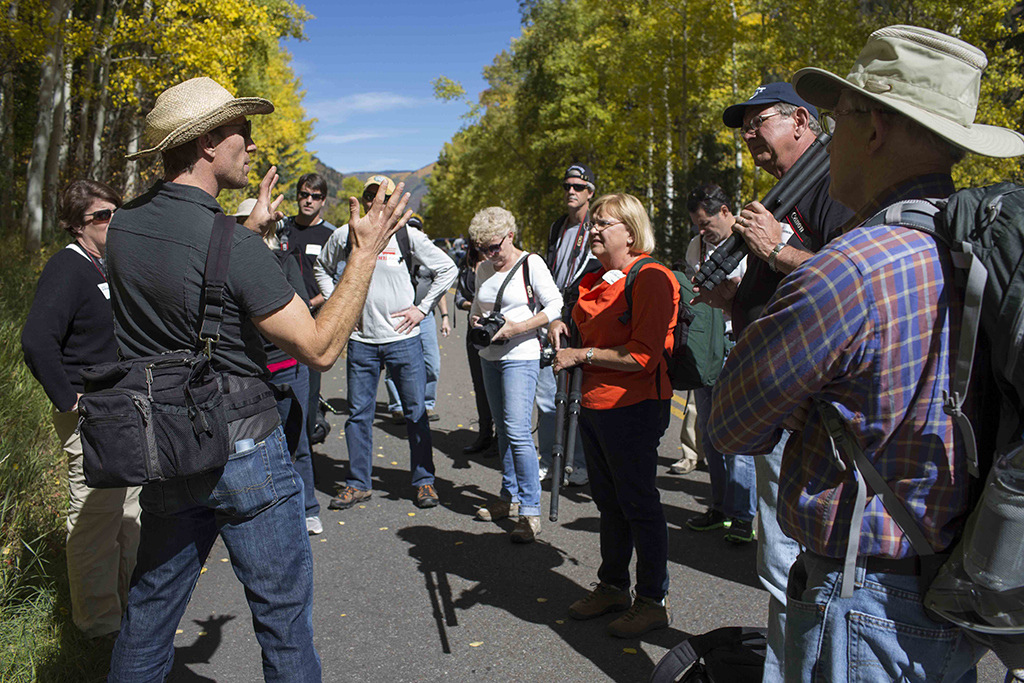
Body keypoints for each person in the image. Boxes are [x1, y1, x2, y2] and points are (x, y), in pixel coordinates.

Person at [710, 25, 1024, 681]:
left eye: (837, 118)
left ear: (873, 129)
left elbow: (731, 424)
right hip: (950, 582)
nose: (829, 139)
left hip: (863, 605)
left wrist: (805, 406)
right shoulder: (977, 248)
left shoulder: (849, 269)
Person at [104, 76, 412, 681]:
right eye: (239, 130)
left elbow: (183, 284)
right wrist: (366, 254)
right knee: (283, 624)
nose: (250, 142)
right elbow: (320, 349)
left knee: (146, 620)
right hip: (246, 451)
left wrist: (240, 239)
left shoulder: (123, 228)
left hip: (165, 445)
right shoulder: (230, 244)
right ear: (207, 146)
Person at [698, 81, 854, 680]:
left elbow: (858, 283)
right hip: (779, 399)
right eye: (743, 125)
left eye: (758, 120)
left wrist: (779, 252)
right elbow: (783, 296)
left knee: (798, 561)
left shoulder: (835, 190)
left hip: (810, 408)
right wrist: (735, 300)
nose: (747, 134)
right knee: (782, 562)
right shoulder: (788, 192)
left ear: (800, 120)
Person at [550, 193, 678, 638]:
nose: (596, 230)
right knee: (610, 504)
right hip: (595, 404)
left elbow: (644, 355)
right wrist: (560, 325)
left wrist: (580, 353)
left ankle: (651, 600)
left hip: (635, 408)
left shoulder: (651, 278)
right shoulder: (594, 277)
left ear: (631, 230)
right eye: (595, 223)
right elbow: (576, 318)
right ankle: (612, 586)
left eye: (605, 223)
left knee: (639, 504)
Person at [20, 179, 141, 642]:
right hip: (90, 415)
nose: (112, 222)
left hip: (121, 412)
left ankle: (129, 607)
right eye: (100, 216)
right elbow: (36, 341)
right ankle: (98, 626)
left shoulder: (105, 266)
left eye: (116, 212)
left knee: (129, 514)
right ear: (75, 224)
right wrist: (69, 400)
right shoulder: (66, 269)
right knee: (94, 520)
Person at [314, 175, 457, 511]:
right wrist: (338, 301)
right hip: (361, 342)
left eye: (385, 196)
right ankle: (357, 483)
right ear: (363, 199)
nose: (377, 202)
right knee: (358, 417)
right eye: (370, 195)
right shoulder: (345, 233)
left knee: (416, 413)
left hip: (403, 341)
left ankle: (424, 482)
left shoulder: (408, 235)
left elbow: (447, 269)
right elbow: (322, 265)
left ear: (396, 202)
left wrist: (423, 309)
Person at [468, 207, 562, 543]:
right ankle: (507, 497)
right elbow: (478, 308)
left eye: (494, 247)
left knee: (519, 431)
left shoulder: (530, 263)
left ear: (510, 235)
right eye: (483, 249)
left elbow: (554, 305)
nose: (490, 254)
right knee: (503, 430)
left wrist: (518, 328)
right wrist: (476, 323)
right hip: (489, 356)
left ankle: (530, 511)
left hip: (520, 355)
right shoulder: (483, 268)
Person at [238, 198, 321, 536]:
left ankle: (308, 508)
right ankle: (265, 514)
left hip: (287, 364)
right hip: (248, 370)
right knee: (251, 446)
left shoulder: (282, 261)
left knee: (296, 439)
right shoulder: (231, 263)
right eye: (244, 221)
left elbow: (301, 306)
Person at [682, 184, 756, 543]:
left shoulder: (749, 241)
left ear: (727, 212)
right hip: (705, 347)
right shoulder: (696, 247)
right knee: (710, 432)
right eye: (697, 223)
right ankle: (721, 506)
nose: (701, 230)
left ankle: (743, 515)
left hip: (736, 343)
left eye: (706, 221)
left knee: (737, 432)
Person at [536, 163, 601, 486]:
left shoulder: (598, 225)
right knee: (548, 393)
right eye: (567, 187)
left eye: (578, 187)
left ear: (590, 192)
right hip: (555, 319)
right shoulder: (557, 227)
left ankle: (579, 463)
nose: (571, 192)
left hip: (584, 319)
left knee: (580, 396)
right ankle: (549, 460)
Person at [276, 173, 336, 451]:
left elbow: (339, 282)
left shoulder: (331, 235)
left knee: (309, 390)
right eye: (303, 194)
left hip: (314, 321)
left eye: (315, 196)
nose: (308, 201)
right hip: (279, 320)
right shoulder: (282, 228)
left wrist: (311, 303)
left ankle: (306, 452)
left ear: (323, 200)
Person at [384, 215, 453, 424]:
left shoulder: (429, 258)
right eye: (409, 228)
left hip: (425, 316)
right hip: (399, 316)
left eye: (417, 229)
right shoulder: (395, 254)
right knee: (394, 362)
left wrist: (445, 317)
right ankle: (397, 406)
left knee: (432, 362)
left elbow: (438, 289)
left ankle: (427, 404)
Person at [454, 239, 494, 454]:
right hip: (475, 331)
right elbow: (458, 299)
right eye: (478, 244)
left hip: (498, 331)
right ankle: (485, 434)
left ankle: (503, 438)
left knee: (499, 385)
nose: (483, 248)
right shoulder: (467, 269)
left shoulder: (499, 265)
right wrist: (474, 305)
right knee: (480, 385)